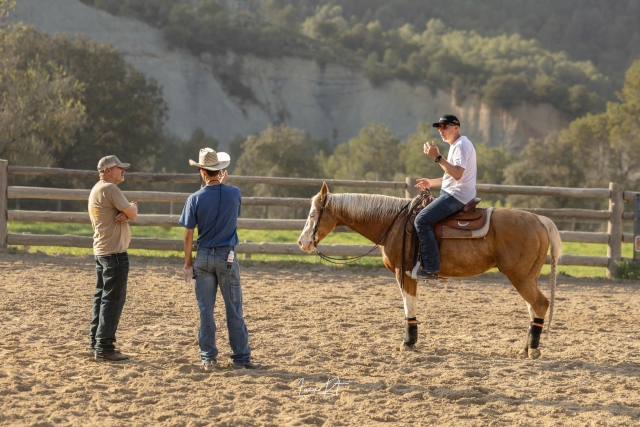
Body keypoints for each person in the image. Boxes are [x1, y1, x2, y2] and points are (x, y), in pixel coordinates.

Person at [179, 148, 261, 371]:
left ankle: (208, 358)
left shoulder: (194, 198)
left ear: (203, 173)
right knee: (234, 308)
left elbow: (188, 236)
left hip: (203, 256)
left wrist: (188, 264)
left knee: (206, 309)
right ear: (221, 171)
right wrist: (224, 184)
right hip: (227, 255)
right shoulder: (235, 193)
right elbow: (232, 212)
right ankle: (241, 359)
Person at [414, 115, 477, 281]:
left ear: (455, 127)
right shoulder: (458, 145)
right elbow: (452, 176)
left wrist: (437, 157)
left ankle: (431, 268)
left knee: (421, 221)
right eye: (439, 128)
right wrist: (431, 182)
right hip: (455, 193)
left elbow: (457, 173)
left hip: (456, 196)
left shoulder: (461, 145)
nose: (441, 131)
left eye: (444, 127)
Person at [88, 155, 138, 361]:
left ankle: (96, 342)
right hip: (114, 253)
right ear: (107, 171)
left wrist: (126, 211)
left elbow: (126, 212)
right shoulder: (110, 189)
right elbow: (133, 213)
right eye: (118, 168)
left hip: (102, 251)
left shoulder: (98, 189)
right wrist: (132, 208)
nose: (122, 171)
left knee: (102, 297)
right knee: (113, 299)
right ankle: (105, 347)